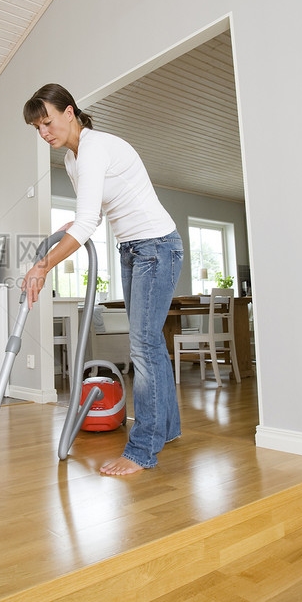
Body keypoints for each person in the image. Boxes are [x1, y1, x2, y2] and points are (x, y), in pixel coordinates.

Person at [21, 83, 183, 475]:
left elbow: (88, 224)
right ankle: (168, 428)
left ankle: (142, 449)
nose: (44, 133)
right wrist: (57, 242)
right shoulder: (72, 161)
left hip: (156, 246)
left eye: (47, 122)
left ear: (69, 112)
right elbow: (86, 216)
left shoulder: (94, 149)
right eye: (38, 129)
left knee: (142, 346)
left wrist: (42, 267)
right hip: (133, 249)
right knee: (152, 345)